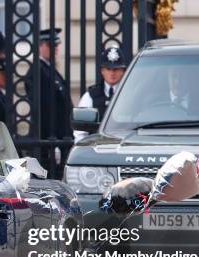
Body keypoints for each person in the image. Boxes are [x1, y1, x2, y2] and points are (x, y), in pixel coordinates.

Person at [24, 28, 73, 174]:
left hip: (60, 139)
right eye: (51, 46)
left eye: (56, 45)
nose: (56, 49)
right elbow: (44, 111)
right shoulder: (39, 71)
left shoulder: (49, 69)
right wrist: (53, 143)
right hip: (49, 142)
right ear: (40, 46)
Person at [75, 47, 127, 140]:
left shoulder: (130, 94)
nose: (112, 73)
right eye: (108, 69)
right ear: (102, 71)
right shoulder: (90, 96)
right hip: (97, 148)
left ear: (123, 71)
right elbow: (80, 134)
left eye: (116, 69)